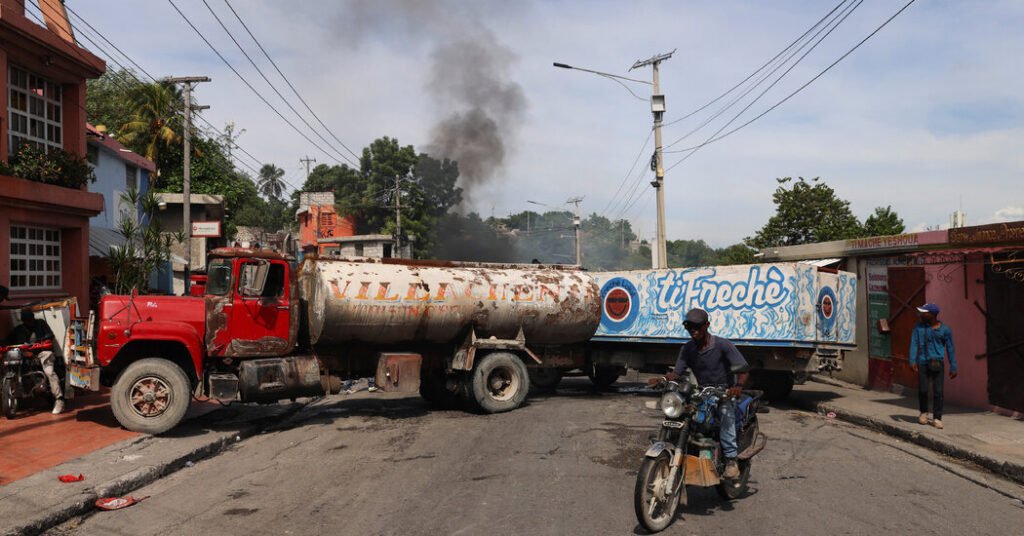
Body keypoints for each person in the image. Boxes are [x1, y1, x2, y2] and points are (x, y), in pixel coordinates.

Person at [665, 308, 749, 479]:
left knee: (726, 414)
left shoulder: (722, 345)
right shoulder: (688, 348)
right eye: (689, 326)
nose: (693, 329)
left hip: (724, 392)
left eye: (697, 326)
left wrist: (738, 386)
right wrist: (666, 378)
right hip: (702, 392)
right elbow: (678, 371)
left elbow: (743, 369)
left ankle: (731, 460)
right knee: (682, 413)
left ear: (707, 325)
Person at [7, 308, 64, 414]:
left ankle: (59, 399)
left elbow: (50, 335)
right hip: (26, 356)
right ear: (23, 320)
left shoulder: (41, 324)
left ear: (33, 318)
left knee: (49, 372)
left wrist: (41, 341)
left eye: (29, 319)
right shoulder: (19, 329)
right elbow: (9, 339)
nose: (28, 322)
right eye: (26, 320)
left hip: (43, 353)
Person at [910, 303, 957, 430]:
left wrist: (953, 366)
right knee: (923, 389)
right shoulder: (918, 328)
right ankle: (923, 413)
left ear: (932, 314)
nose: (921, 314)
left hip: (937, 363)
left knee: (938, 391)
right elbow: (914, 343)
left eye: (924, 312)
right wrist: (912, 360)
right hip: (923, 362)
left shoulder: (945, 330)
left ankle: (937, 418)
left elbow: (951, 348)